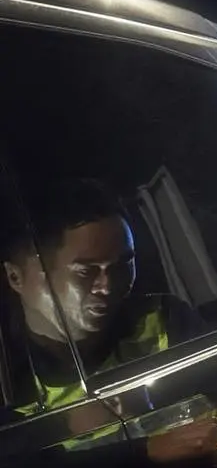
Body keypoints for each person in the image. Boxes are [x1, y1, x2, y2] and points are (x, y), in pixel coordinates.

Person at [1, 178, 179, 419]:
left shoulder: (163, 319)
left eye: (123, 265)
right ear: (15, 277)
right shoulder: (9, 381)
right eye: (86, 271)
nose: (108, 286)